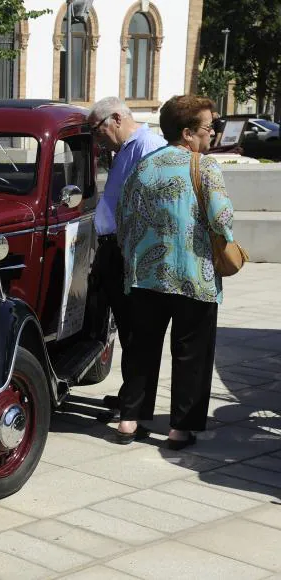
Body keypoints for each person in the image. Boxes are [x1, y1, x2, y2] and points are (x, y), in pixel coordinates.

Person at [116, 95, 234, 449]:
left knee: (141, 349)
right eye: (207, 127)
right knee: (191, 352)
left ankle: (128, 421)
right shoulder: (205, 167)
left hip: (145, 275)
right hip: (192, 275)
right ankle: (179, 429)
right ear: (187, 132)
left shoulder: (144, 166)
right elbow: (222, 219)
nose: (212, 133)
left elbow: (123, 217)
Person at [87, 97, 166, 422]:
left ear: (116, 119)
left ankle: (136, 408)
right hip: (115, 247)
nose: (97, 138)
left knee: (138, 332)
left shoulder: (146, 144)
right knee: (125, 328)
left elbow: (153, 200)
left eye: (97, 129)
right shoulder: (126, 148)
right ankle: (128, 397)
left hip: (131, 249)